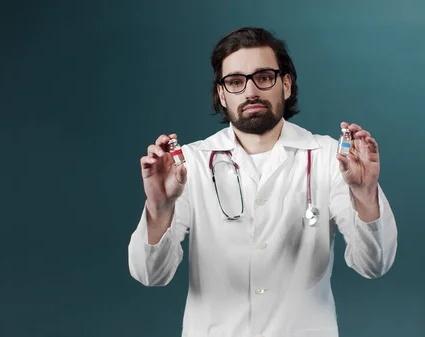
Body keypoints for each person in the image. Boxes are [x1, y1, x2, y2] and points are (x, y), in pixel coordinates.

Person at [128, 27, 398, 337]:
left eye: (264, 77)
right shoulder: (189, 164)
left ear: (285, 85)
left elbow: (374, 264)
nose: (250, 91)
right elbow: (150, 274)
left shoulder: (329, 158)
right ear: (221, 93)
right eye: (235, 82)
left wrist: (364, 194)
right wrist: (160, 207)